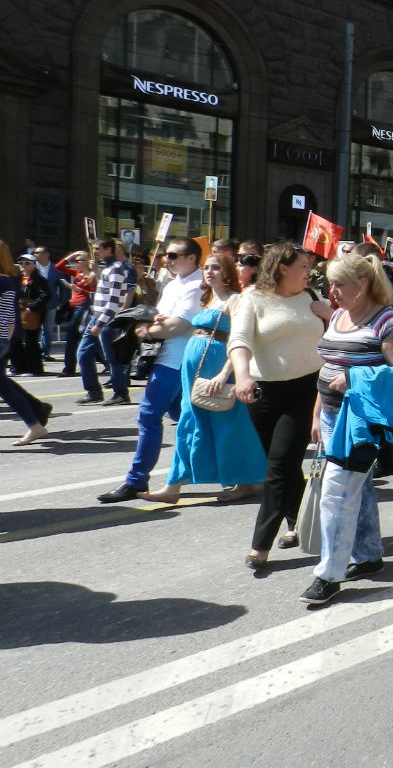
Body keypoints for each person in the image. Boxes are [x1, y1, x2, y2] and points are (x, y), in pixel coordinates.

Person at [300, 252, 393, 605]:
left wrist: (354, 378)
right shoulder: (339, 316)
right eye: (331, 283)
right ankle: (367, 555)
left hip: (360, 423)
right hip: (333, 418)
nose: (332, 291)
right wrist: (318, 414)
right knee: (359, 490)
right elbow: (329, 365)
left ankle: (329, 575)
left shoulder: (390, 323)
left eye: (339, 284)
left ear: (363, 284)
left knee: (336, 493)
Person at [230, 243, 332, 569]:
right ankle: (296, 522)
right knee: (286, 466)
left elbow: (339, 335)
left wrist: (331, 316)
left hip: (307, 390)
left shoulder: (313, 297)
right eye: (303, 266)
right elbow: (240, 341)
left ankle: (261, 544)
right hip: (264, 393)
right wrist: (242, 377)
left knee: (279, 464)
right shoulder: (253, 298)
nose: (309, 272)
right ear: (283, 268)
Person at [136, 253, 267, 503]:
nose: (209, 272)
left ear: (228, 272)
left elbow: (241, 340)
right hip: (193, 368)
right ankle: (173, 486)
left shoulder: (236, 300)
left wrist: (224, 373)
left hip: (217, 366)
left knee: (228, 425)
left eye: (216, 268)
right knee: (189, 422)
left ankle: (247, 481)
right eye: (207, 268)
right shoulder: (206, 299)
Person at [97, 237, 207, 503]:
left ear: (191, 258)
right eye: (166, 255)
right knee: (188, 418)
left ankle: (136, 480)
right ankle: (233, 468)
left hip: (178, 360)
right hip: (167, 356)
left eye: (172, 255)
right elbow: (160, 318)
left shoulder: (196, 285)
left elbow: (176, 326)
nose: (165, 260)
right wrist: (148, 326)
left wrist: (148, 330)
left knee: (149, 415)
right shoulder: (173, 284)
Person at [0, 241, 53, 445]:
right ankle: (36, 418)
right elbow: (11, 317)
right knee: (3, 384)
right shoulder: (10, 280)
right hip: (4, 337)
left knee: (3, 385)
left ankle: (35, 424)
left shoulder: (3, 281)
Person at [77, 237, 133, 406]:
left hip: (108, 319)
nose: (95, 252)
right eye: (94, 249)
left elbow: (114, 300)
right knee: (83, 353)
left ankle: (121, 393)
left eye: (98, 249)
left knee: (111, 358)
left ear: (109, 250)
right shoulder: (107, 268)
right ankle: (93, 391)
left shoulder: (116, 269)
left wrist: (100, 324)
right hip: (98, 316)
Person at [55, 250, 92, 378]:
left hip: (83, 306)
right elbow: (59, 267)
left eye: (79, 260)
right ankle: (105, 362)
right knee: (80, 337)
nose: (76, 263)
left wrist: (79, 289)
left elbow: (94, 292)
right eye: (75, 261)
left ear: (87, 261)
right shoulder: (77, 273)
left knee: (71, 336)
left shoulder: (92, 275)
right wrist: (72, 255)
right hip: (73, 306)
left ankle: (69, 368)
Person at [12, 255, 50, 376]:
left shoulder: (39, 279)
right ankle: (18, 367)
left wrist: (32, 306)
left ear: (34, 264)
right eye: (21, 263)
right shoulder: (18, 278)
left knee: (30, 341)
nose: (23, 265)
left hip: (33, 314)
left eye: (27, 263)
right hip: (19, 312)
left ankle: (34, 369)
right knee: (15, 340)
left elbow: (46, 295)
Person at [31, 245, 67, 362]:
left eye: (38, 253)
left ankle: (45, 352)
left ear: (47, 254)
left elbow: (63, 287)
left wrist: (63, 301)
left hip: (51, 303)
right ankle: (33, 352)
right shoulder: (32, 268)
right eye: (34, 253)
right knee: (33, 328)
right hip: (35, 303)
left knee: (48, 329)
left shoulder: (55, 269)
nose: (35, 255)